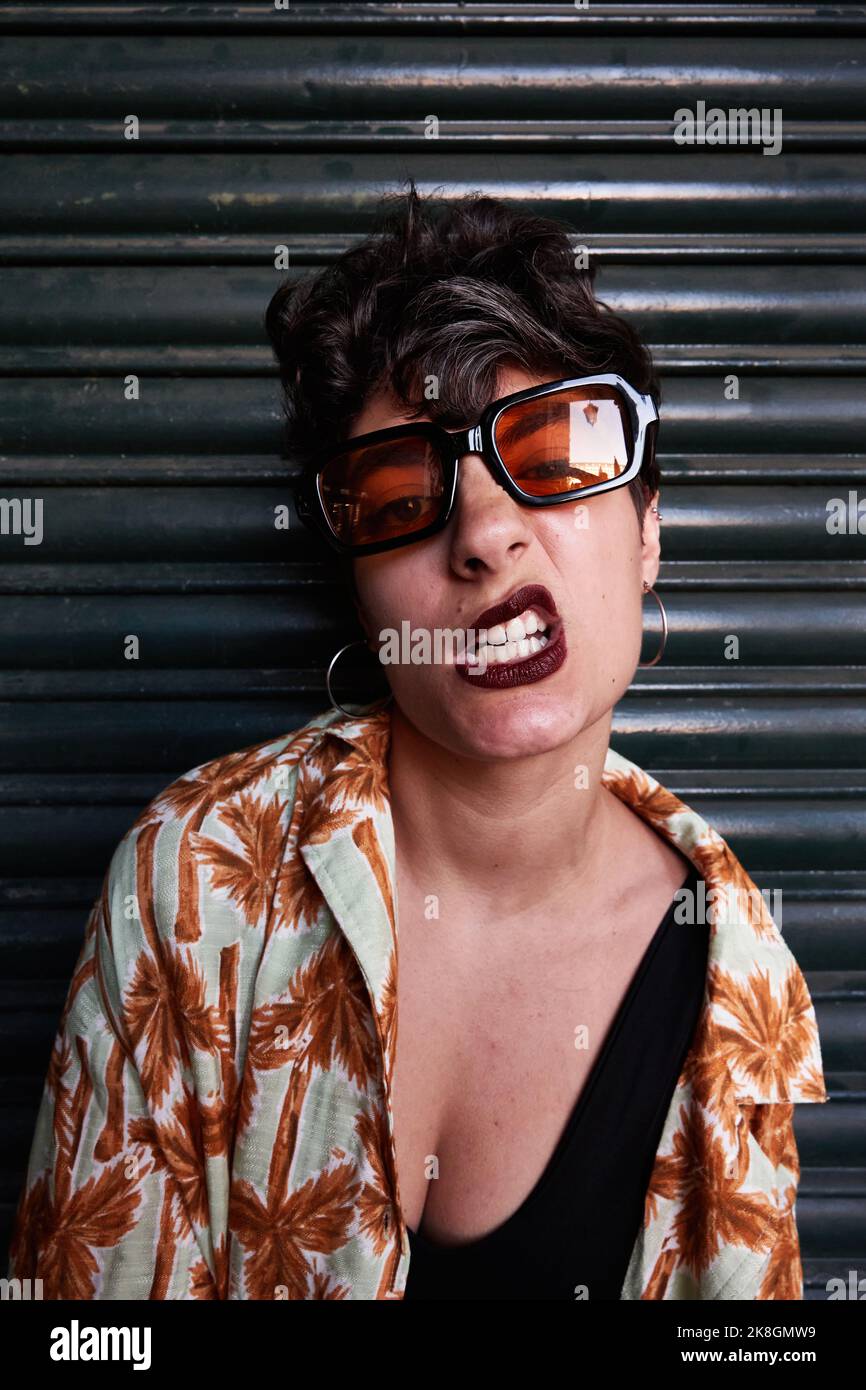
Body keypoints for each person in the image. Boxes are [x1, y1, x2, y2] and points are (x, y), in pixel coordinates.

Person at [8, 183, 827, 1300]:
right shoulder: (191, 879)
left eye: (552, 447)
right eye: (402, 487)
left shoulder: (737, 982)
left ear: (646, 534)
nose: (484, 534)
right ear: (358, 592)